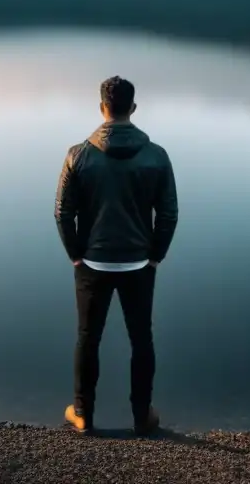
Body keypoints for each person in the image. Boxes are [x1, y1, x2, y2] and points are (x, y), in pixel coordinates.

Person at [54, 75, 179, 436]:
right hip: (139, 264)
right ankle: (142, 417)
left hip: (92, 263)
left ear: (101, 108)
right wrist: (155, 255)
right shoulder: (157, 156)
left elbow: (63, 211)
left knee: (87, 338)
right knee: (142, 339)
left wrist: (75, 253)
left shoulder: (78, 155)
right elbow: (169, 213)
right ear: (133, 108)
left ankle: (83, 414)